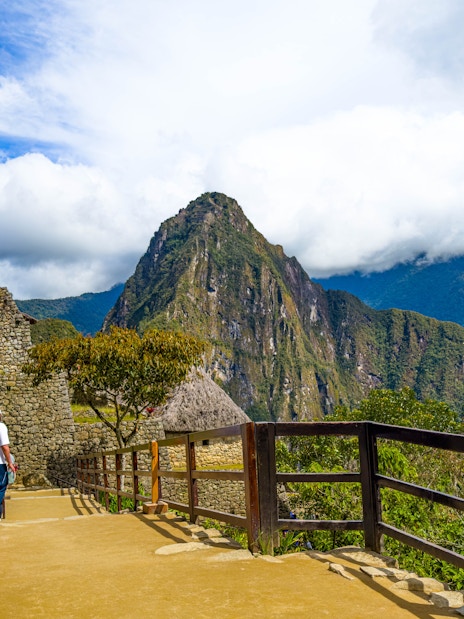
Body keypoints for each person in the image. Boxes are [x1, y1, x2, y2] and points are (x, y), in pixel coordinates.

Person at [0, 409, 16, 519]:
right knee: (1, 487)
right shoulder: (1, 427)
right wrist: (10, 463)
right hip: (0, 464)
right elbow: (5, 447)